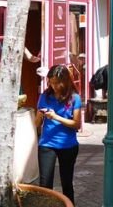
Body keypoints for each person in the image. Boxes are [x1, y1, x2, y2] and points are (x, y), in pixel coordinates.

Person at [35, 65, 82, 203]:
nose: (54, 86)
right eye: (51, 82)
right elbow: (36, 124)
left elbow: (76, 124)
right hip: (47, 144)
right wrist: (39, 115)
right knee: (45, 184)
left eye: (57, 82)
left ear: (65, 81)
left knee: (66, 183)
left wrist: (56, 117)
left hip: (68, 145)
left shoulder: (74, 98)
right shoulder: (45, 96)